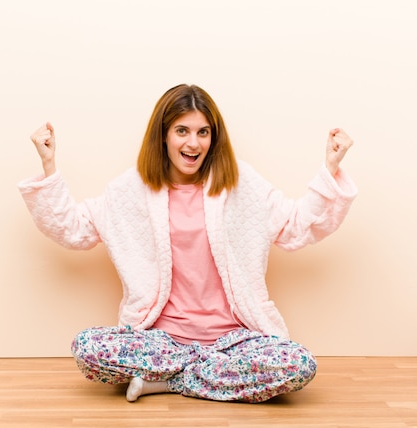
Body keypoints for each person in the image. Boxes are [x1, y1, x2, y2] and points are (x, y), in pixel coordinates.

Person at [18, 83, 357, 403]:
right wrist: (49, 166)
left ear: (213, 137)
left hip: (235, 341)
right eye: (182, 131)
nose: (193, 143)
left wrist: (330, 168)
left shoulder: (241, 183)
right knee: (88, 347)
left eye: (203, 132)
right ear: (163, 136)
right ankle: (202, 375)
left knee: (297, 364)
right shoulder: (132, 189)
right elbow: (75, 229)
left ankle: (166, 381)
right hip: (161, 340)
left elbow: (296, 226)